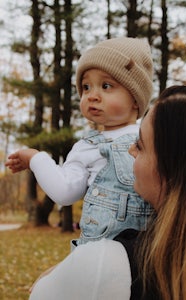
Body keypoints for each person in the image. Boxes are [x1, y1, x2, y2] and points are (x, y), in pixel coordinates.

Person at [28, 90, 186, 300]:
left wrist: (79, 269)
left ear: (169, 168)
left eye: (140, 145)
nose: (130, 151)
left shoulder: (106, 265)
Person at [6, 37, 154, 246]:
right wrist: (36, 159)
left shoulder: (154, 138)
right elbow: (64, 192)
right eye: (86, 87)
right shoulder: (87, 147)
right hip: (99, 257)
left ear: (135, 98)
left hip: (153, 255)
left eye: (106, 85)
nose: (92, 95)